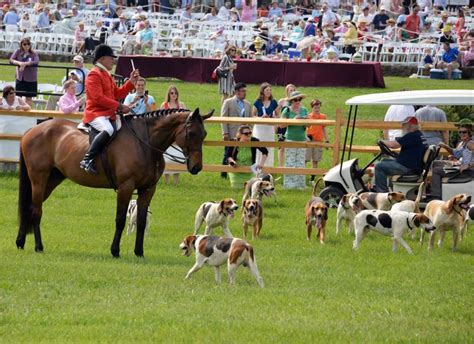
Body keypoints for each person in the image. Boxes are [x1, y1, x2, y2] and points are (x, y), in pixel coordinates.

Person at [79, 44, 140, 174]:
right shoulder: (94, 75)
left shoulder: (107, 75)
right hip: (95, 113)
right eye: (111, 58)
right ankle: (87, 159)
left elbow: (118, 94)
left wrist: (131, 82)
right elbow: (97, 98)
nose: (113, 60)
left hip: (108, 113)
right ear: (102, 59)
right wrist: (119, 106)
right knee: (108, 129)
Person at [375, 116, 427, 192]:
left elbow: (394, 145)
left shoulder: (411, 136)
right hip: (412, 166)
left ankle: (382, 192)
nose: (402, 127)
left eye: (404, 125)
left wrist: (381, 141)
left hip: (407, 168)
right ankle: (385, 188)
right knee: (384, 160)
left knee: (379, 166)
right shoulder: (418, 135)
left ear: (409, 126)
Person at [429, 120, 473, 200]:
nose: (461, 134)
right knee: (436, 163)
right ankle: (434, 190)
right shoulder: (465, 143)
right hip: (462, 168)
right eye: (460, 132)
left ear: (470, 133)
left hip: (468, 172)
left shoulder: (470, 144)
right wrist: (445, 146)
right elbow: (456, 154)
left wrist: (468, 165)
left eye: (464, 132)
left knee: (436, 170)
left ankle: (435, 196)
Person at [221, 82, 252, 178]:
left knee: (239, 153)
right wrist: (225, 132)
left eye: (245, 91)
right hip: (232, 133)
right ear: (237, 92)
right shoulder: (228, 102)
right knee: (228, 153)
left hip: (244, 135)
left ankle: (238, 172)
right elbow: (223, 118)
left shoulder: (248, 104)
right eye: (243, 91)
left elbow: (250, 119)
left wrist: (250, 133)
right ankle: (224, 174)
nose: (245, 93)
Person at [280, 91, 309, 189]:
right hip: (290, 139)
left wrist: (302, 119)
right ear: (292, 101)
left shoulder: (304, 110)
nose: (298, 102)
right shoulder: (286, 110)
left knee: (300, 162)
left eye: (299, 99)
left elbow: (309, 124)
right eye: (295, 100)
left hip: (302, 139)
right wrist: (293, 121)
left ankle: (300, 186)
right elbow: (281, 125)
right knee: (290, 162)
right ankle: (289, 186)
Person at [158, 85, 186, 186]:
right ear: (169, 94)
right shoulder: (164, 105)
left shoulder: (181, 105)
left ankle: (176, 181)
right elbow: (160, 119)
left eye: (175, 93)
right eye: (172, 93)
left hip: (178, 134)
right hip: (168, 134)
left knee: (177, 156)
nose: (174, 95)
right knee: (167, 157)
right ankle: (166, 180)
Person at [252, 83, 279, 168]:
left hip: (269, 128)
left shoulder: (274, 102)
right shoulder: (258, 102)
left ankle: (268, 169)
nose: (269, 92)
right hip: (259, 128)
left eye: (270, 90)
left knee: (269, 147)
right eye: (267, 90)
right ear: (262, 91)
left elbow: (277, 115)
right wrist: (260, 118)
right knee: (259, 147)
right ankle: (257, 168)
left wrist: (271, 119)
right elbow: (253, 115)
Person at [9, 37, 39, 107]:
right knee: (18, 97)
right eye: (25, 44)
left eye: (28, 44)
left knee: (29, 97)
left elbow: (36, 62)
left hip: (31, 79)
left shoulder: (34, 53)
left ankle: (28, 113)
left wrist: (25, 64)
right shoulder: (17, 51)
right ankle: (19, 113)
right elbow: (11, 60)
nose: (27, 46)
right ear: (21, 45)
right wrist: (19, 63)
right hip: (20, 78)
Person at [306, 99, 329, 183]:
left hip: (319, 140)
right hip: (309, 139)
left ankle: (312, 178)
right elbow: (305, 127)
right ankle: (302, 176)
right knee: (306, 158)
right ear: (312, 108)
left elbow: (324, 128)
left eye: (318, 107)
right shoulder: (309, 116)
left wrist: (327, 140)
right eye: (315, 107)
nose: (317, 109)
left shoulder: (323, 117)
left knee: (315, 160)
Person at [277, 84, 296, 166]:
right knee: (281, 147)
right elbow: (276, 111)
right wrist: (278, 120)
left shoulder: (296, 101)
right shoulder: (282, 101)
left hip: (292, 127)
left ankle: (290, 165)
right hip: (282, 127)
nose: (292, 92)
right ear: (287, 92)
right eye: (290, 90)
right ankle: (280, 166)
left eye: (293, 90)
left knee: (291, 146)